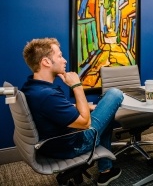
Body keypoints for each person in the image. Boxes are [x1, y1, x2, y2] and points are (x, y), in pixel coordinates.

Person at [21, 38, 123, 186]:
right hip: (72, 145)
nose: (64, 60)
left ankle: (106, 171)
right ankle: (105, 169)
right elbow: (85, 123)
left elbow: (53, 112)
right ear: (46, 62)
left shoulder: (31, 87)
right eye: (60, 56)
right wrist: (77, 85)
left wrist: (81, 107)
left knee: (105, 113)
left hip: (54, 143)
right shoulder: (47, 95)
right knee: (114, 94)